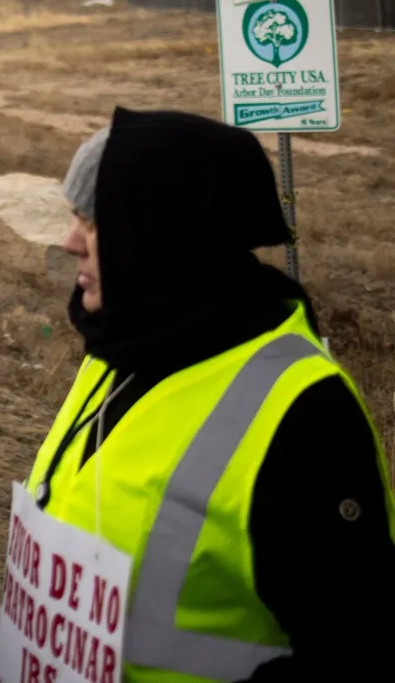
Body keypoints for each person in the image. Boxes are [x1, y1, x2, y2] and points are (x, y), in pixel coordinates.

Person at [26, 108, 395, 679]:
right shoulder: (123, 344)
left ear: (163, 237)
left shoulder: (308, 419)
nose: (70, 241)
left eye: (94, 223)